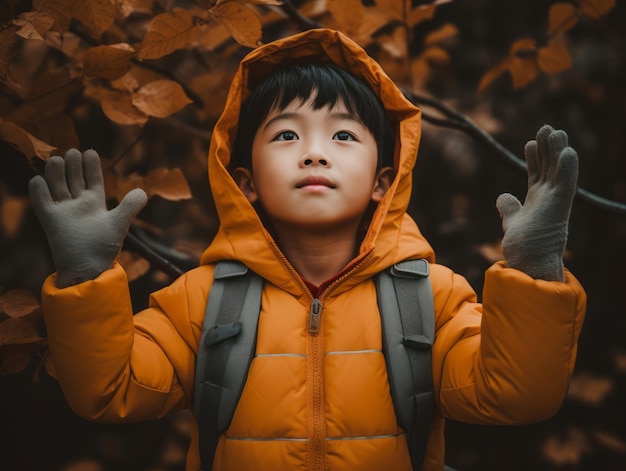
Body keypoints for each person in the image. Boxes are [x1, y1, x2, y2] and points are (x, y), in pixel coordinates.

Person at [28, 29, 586, 471]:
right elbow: (109, 390)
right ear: (245, 181)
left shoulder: (430, 299)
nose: (315, 153)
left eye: (343, 135)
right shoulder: (201, 302)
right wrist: (84, 276)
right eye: (286, 135)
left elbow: (515, 395)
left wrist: (535, 274)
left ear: (381, 181)